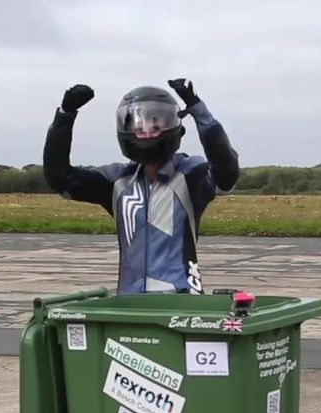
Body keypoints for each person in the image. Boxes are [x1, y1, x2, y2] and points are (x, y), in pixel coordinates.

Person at [43, 79, 239, 295]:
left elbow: (226, 172)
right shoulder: (116, 180)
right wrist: (65, 115)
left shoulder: (191, 174)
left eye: (155, 127)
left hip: (184, 301)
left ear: (174, 128)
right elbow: (59, 178)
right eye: (139, 127)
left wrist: (196, 108)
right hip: (131, 304)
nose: (146, 133)